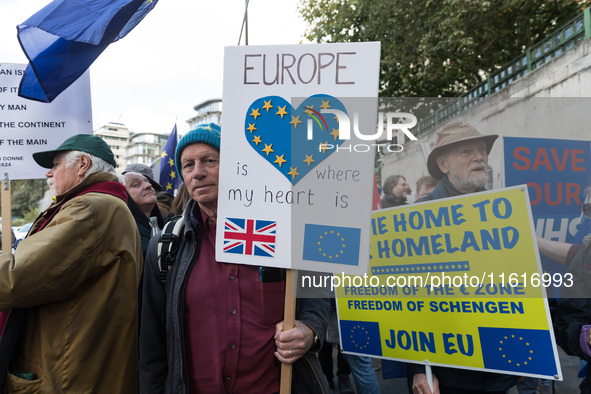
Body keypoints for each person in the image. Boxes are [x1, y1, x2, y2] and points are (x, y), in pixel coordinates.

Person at [139, 123, 330, 393]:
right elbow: (152, 347)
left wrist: (311, 329)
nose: (198, 173)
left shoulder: (283, 229)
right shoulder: (166, 247)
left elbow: (316, 288)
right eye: (188, 165)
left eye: (209, 161)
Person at [0, 134, 143, 393]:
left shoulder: (89, 208)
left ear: (83, 165)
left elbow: (14, 278)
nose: (49, 174)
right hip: (80, 366)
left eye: (55, 165)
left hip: (69, 374)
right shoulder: (106, 205)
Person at [410, 121, 519, 393]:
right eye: (467, 151)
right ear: (443, 165)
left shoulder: (504, 212)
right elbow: (404, 300)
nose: (480, 156)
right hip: (443, 373)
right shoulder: (416, 217)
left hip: (499, 367)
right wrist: (418, 369)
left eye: (482, 150)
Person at [122, 163, 165, 256]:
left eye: (149, 183)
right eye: (136, 184)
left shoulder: (161, 226)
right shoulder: (124, 232)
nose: (148, 186)